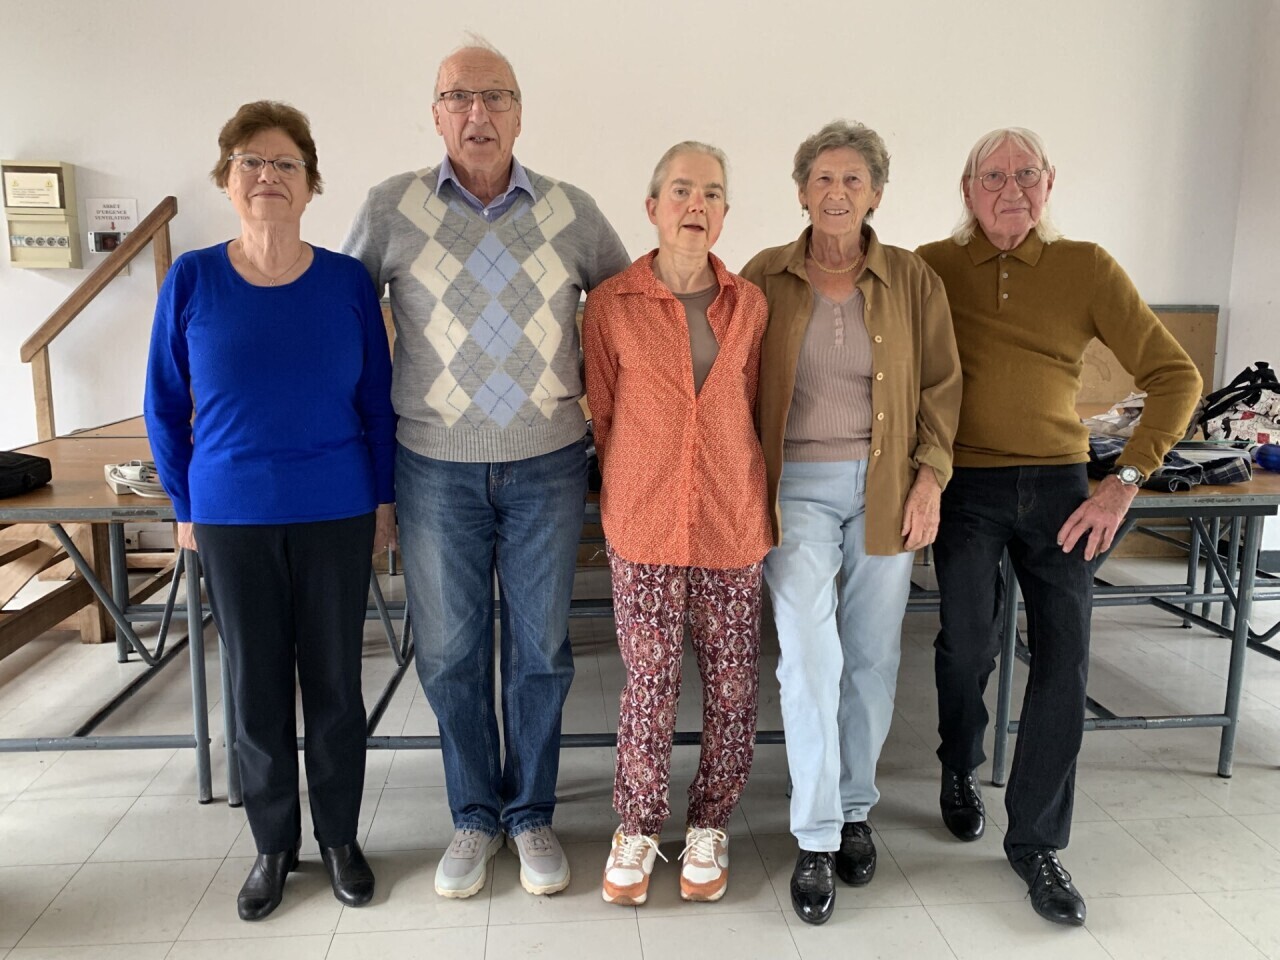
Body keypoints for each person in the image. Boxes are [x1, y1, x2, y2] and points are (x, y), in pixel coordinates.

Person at [342, 38, 630, 899]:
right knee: (453, 653)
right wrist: (372, 477)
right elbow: (344, 328)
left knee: (541, 651)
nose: (479, 113)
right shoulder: (389, 209)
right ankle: (474, 815)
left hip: (547, 464)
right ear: (435, 114)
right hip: (432, 467)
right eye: (459, 97)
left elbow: (627, 316)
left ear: (519, 112)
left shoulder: (572, 211)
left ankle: (530, 813)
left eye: (496, 96)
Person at [916, 127, 1202, 927]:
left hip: (1058, 487)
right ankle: (958, 763)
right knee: (967, 641)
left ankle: (1036, 843)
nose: (1012, 189)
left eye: (1027, 174)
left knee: (1065, 657)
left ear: (1051, 184)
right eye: (994, 175)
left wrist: (1124, 484)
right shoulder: (931, 267)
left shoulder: (1086, 267)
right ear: (967, 188)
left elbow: (1176, 374)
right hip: (965, 482)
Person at [144, 100, 395, 921]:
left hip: (336, 508)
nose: (268, 176)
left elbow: (377, 401)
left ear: (312, 184)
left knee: (332, 683)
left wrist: (385, 498)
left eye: (286, 164)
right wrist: (183, 503)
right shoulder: (192, 279)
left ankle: (340, 839)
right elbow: (162, 403)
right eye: (252, 162)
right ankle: (272, 846)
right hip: (231, 514)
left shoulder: (347, 282)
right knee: (254, 685)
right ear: (227, 180)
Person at [740, 120, 961, 926]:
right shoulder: (763, 274)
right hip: (792, 482)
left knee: (870, 655)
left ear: (875, 194)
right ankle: (815, 832)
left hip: (886, 484)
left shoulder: (911, 279)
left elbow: (941, 387)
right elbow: (730, 381)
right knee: (808, 655)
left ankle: (857, 807)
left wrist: (930, 477)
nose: (838, 193)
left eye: (854, 180)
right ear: (801, 191)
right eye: (823, 179)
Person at [583, 142, 770, 906]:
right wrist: (636, 479)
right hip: (645, 520)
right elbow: (602, 412)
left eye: (713, 194)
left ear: (725, 213)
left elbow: (754, 406)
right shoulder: (611, 304)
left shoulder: (750, 304)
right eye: (682, 190)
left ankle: (710, 823)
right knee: (649, 682)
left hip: (731, 516)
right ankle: (636, 826)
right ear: (653, 206)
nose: (697, 205)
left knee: (731, 684)